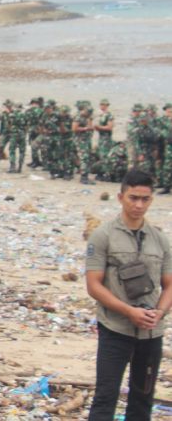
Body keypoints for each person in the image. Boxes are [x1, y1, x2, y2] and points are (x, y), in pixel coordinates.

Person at [85, 169, 172, 420]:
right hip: (115, 329)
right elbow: (93, 285)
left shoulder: (160, 240)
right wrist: (129, 311)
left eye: (145, 199)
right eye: (133, 198)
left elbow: (169, 284)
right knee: (106, 396)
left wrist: (159, 313)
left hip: (150, 332)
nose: (139, 205)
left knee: (143, 399)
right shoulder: (103, 236)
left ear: (151, 200)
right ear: (120, 197)